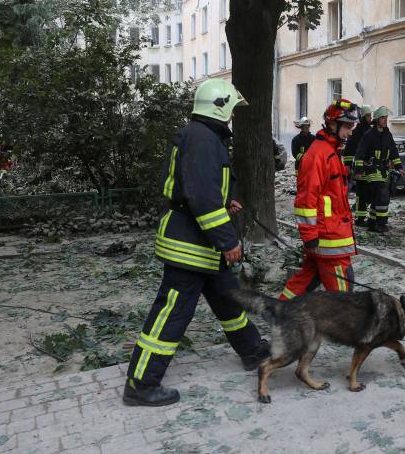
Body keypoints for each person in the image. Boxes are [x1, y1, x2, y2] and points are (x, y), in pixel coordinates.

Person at [123, 78, 271, 407]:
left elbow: (204, 189)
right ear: (219, 107)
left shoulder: (202, 136)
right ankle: (141, 383)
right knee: (171, 314)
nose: (233, 116)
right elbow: (202, 199)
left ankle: (252, 350)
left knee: (228, 300)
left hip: (198, 245)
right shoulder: (204, 140)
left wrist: (227, 199)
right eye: (231, 109)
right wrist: (228, 240)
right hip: (190, 246)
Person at [279, 98, 360, 300]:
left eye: (353, 126)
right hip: (328, 239)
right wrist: (310, 235)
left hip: (328, 235)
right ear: (333, 124)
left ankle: (279, 312)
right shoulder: (319, 155)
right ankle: (341, 330)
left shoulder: (331, 151)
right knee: (342, 296)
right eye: (348, 126)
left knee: (306, 280)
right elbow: (306, 200)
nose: (351, 132)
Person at [354, 107, 404, 233]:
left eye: (386, 118)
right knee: (382, 194)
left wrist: (399, 167)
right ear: (377, 120)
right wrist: (359, 171)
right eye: (383, 118)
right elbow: (360, 153)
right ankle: (381, 223)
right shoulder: (369, 134)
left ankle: (372, 221)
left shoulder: (387, 134)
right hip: (371, 170)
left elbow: (393, 152)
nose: (385, 120)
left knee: (378, 197)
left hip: (383, 171)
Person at [342, 105, 373, 226]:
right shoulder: (357, 132)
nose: (370, 118)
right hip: (359, 167)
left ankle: (365, 215)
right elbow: (349, 150)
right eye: (368, 116)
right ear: (362, 117)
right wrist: (348, 165)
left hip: (370, 167)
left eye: (371, 116)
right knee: (362, 193)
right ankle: (359, 219)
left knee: (369, 192)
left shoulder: (371, 130)